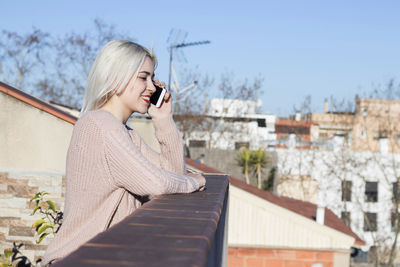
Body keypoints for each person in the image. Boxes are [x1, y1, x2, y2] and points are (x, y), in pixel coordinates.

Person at [42, 40, 206, 265]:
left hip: (100, 257)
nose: (152, 87)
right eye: (143, 77)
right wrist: (194, 182)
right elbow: (158, 183)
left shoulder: (124, 133)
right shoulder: (99, 125)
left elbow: (172, 174)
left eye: (151, 78)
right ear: (116, 77)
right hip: (77, 259)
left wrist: (164, 120)